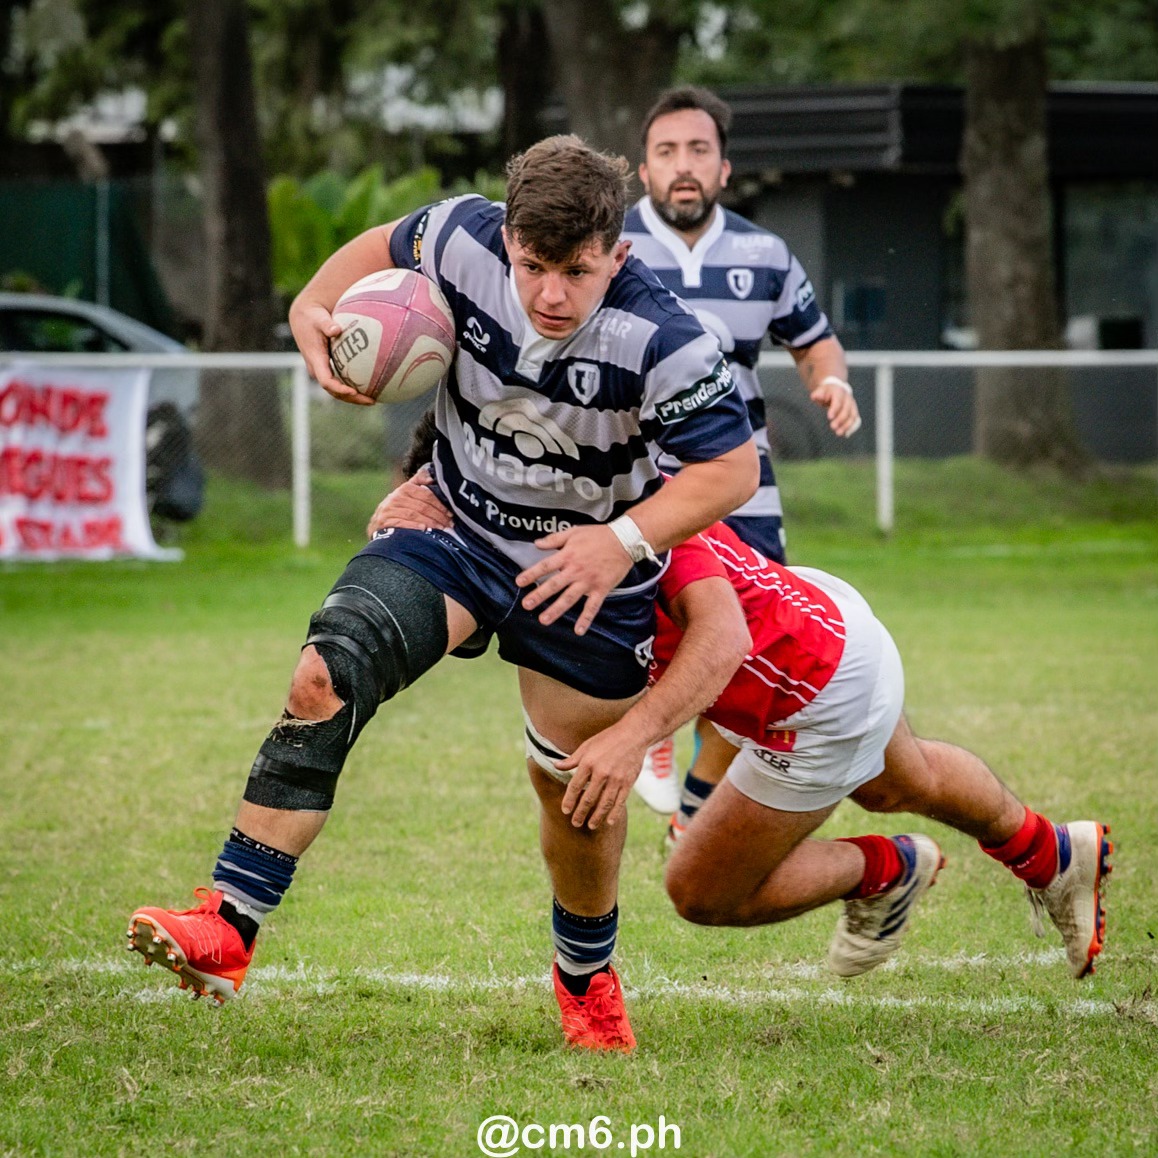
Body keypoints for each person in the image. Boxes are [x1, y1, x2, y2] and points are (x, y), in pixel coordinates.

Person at [125, 136, 759, 1054]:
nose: (549, 294)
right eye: (533, 265)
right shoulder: (463, 235)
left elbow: (729, 470)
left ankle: (585, 978)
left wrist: (619, 543)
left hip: (582, 573)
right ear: (506, 237)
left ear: (616, 255)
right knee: (325, 675)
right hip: (456, 529)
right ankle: (228, 925)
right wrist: (310, 306)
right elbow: (384, 243)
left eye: (577, 272)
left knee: (575, 794)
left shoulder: (663, 338)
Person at [375, 464, 1111, 983]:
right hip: (821, 621)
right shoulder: (581, 485)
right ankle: (1053, 852)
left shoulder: (625, 524)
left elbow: (720, 644)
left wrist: (635, 739)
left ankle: (888, 870)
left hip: (809, 694)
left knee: (700, 893)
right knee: (900, 780)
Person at [624, 86, 862, 818]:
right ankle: (655, 733)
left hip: (742, 493)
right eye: (667, 152)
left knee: (751, 653)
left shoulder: (764, 254)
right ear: (644, 169)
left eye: (699, 150)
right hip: (642, 490)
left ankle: (698, 798)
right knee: (638, 637)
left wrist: (832, 384)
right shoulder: (613, 248)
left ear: (725, 168)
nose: (683, 166)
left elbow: (815, 343)